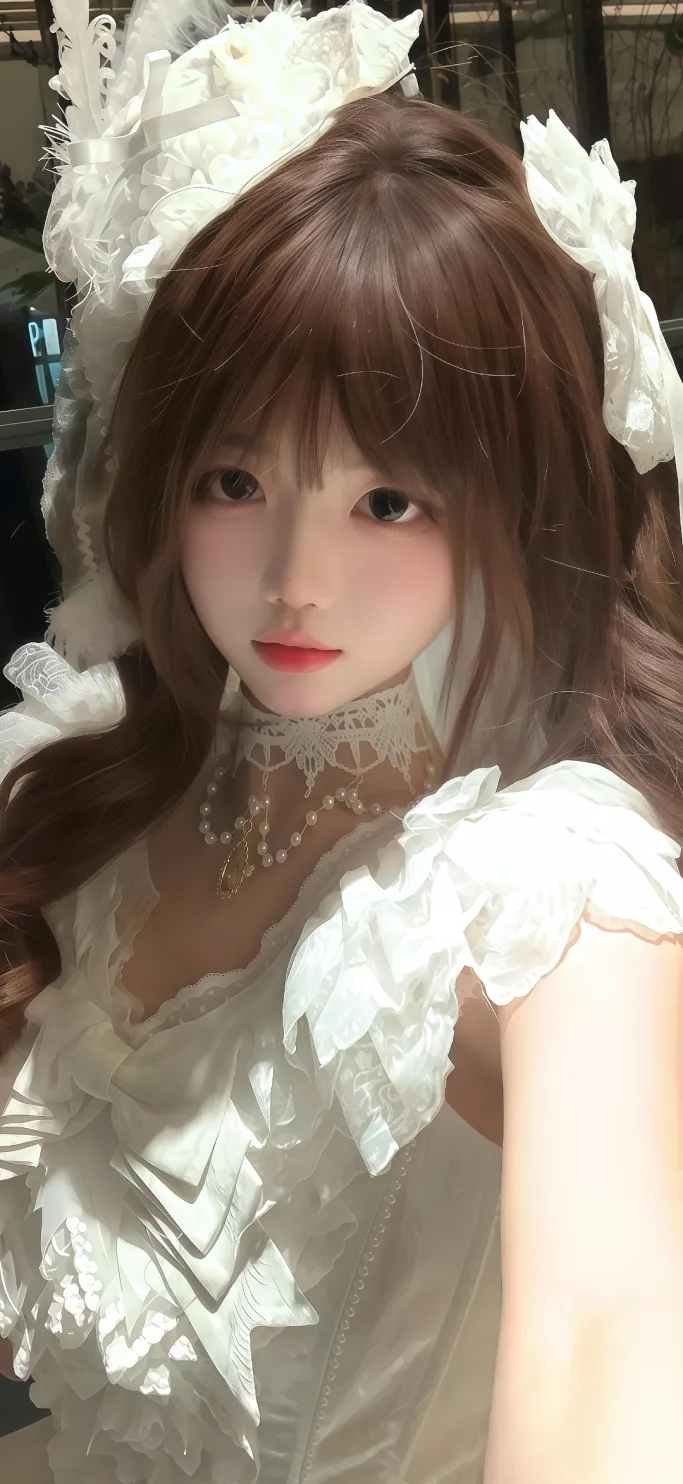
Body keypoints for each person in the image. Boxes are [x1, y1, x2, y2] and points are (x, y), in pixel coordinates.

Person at [0, 2, 682, 1480]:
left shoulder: (539, 890)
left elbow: (605, 1332)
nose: (296, 579)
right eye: (234, 481)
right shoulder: (90, 794)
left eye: (388, 500)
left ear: (510, 507)